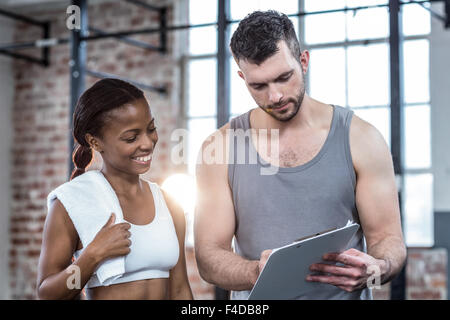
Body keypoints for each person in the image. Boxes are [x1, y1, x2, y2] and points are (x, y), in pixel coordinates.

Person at [194, 10, 406, 299]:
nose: (275, 96)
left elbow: (387, 239)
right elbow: (209, 257)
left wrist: (377, 268)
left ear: (303, 61)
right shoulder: (219, 148)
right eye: (258, 85)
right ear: (243, 77)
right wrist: (258, 272)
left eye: (284, 77)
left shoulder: (361, 138)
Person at [37, 78, 193, 300]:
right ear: (95, 142)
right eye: (131, 137)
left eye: (151, 129)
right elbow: (47, 293)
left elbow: (180, 291)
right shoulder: (71, 203)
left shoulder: (169, 203)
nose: (147, 143)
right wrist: (92, 255)